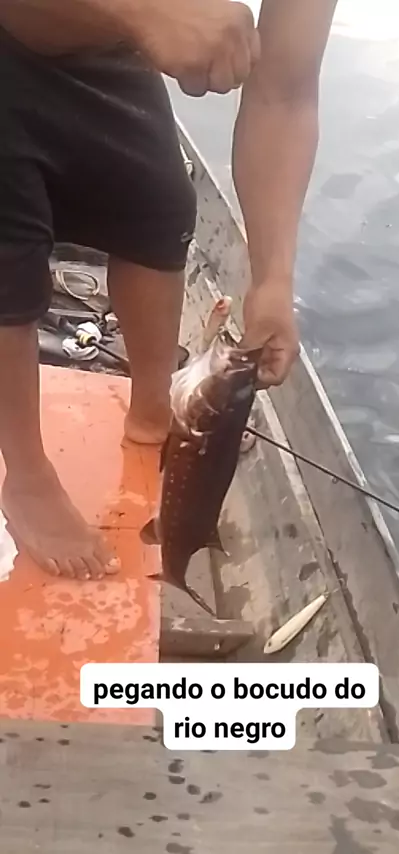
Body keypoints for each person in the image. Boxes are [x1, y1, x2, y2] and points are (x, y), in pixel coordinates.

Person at [0, 0, 338, 580]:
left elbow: (284, 92)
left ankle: (157, 408)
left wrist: (272, 280)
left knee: (159, 208)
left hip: (103, 47)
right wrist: (141, 9)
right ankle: (26, 475)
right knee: (10, 258)